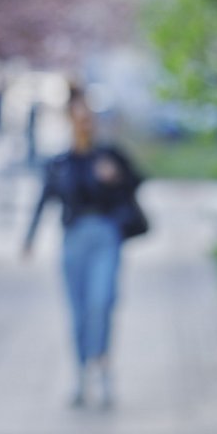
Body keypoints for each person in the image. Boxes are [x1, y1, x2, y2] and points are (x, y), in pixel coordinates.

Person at [22, 84, 144, 409]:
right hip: (73, 240)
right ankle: (80, 376)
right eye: (77, 119)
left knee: (101, 303)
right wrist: (29, 240)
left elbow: (139, 180)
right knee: (77, 311)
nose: (83, 125)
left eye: (87, 118)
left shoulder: (109, 155)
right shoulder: (60, 162)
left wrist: (115, 176)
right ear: (69, 122)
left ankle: (102, 365)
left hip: (106, 235)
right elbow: (44, 199)